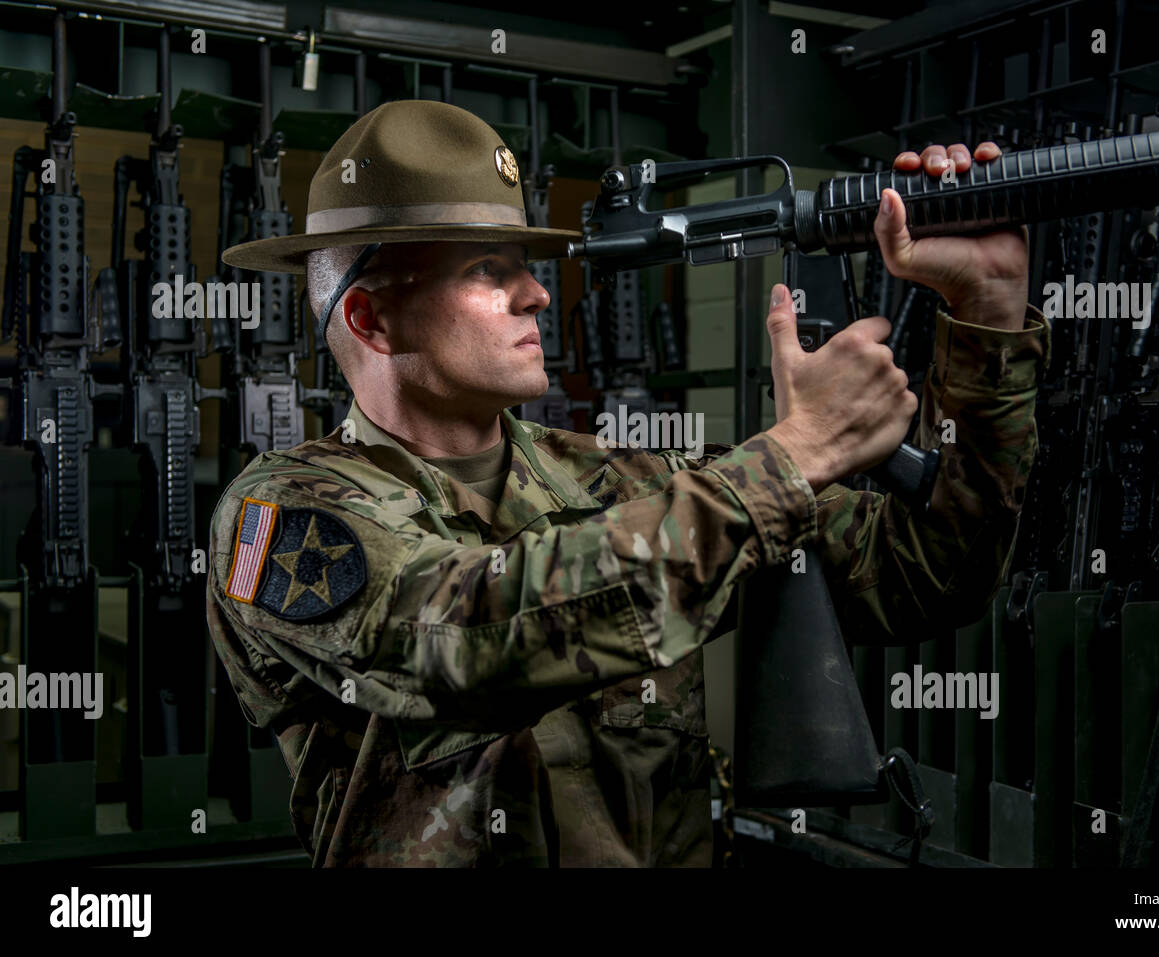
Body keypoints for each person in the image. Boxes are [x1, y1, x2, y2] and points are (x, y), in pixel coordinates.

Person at [208, 98, 1051, 866]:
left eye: (526, 267)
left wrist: (988, 316)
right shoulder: (282, 516)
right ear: (371, 317)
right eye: (488, 271)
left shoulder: (625, 477)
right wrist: (791, 456)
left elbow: (933, 572)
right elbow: (462, 642)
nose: (537, 293)